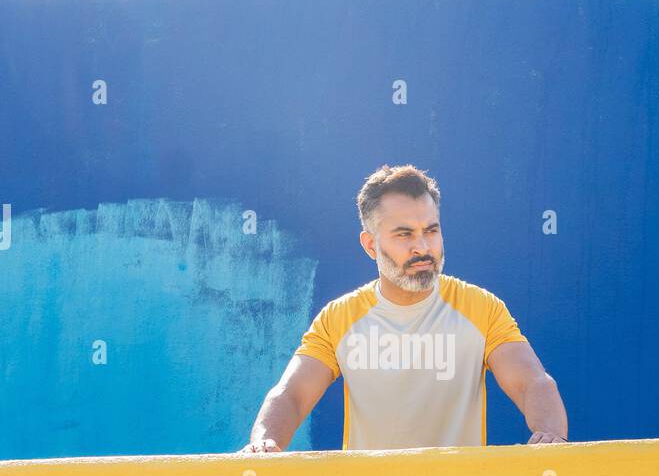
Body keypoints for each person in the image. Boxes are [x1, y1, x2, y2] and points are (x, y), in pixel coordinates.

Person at [241, 164, 568, 453]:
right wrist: (264, 443)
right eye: (404, 234)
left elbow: (532, 382)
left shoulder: (481, 308)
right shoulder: (338, 318)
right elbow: (292, 395)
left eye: (431, 230)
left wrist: (550, 435)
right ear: (371, 245)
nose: (423, 247)